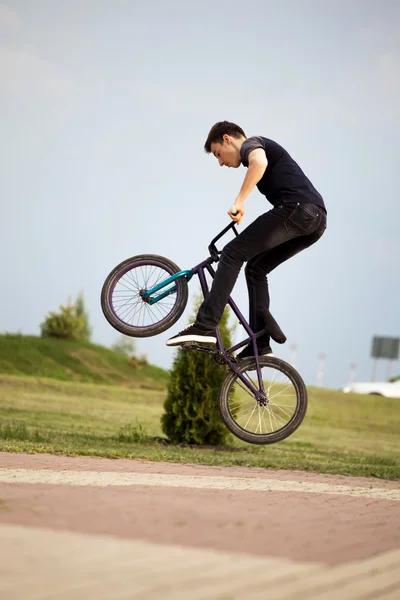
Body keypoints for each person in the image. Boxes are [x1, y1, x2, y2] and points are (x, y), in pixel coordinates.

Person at [166, 121, 327, 358]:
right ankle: (259, 345)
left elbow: (259, 162)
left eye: (219, 154)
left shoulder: (253, 144)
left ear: (228, 139)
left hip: (299, 211)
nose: (221, 162)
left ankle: (205, 325)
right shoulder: (255, 149)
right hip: (315, 222)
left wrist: (240, 201)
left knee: (232, 253)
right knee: (256, 268)